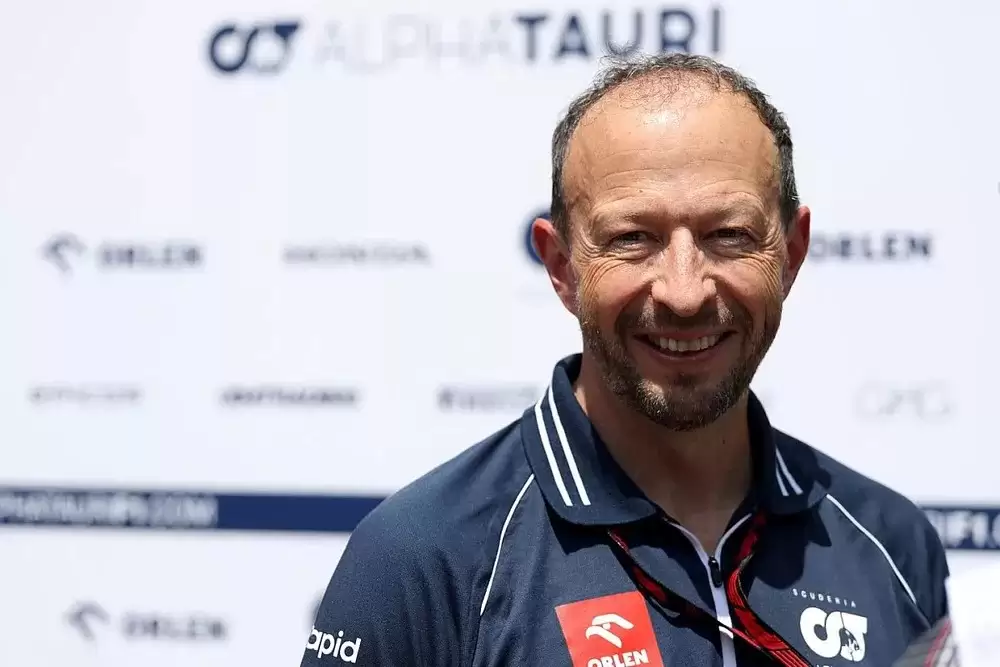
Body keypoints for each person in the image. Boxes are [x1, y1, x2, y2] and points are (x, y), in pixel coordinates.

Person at [300, 53, 949, 667]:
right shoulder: (424, 557)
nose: (684, 291)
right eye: (633, 238)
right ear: (562, 267)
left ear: (791, 253)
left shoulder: (893, 544)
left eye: (729, 235)